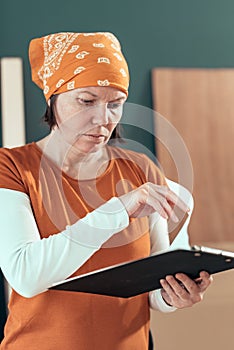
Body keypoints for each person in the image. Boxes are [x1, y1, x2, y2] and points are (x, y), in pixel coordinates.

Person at [0, 32, 212, 350]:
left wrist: (174, 295)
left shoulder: (142, 170)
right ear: (52, 98)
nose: (103, 118)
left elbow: (155, 286)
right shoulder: (12, 167)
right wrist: (119, 209)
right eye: (86, 101)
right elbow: (27, 276)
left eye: (116, 104)